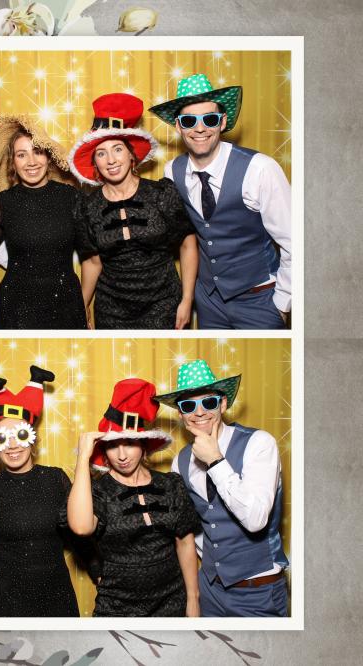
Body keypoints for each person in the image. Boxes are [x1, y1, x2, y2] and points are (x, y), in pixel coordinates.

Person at [150, 74, 292, 329]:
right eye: (189, 120)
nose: (200, 128)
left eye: (210, 119)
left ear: (223, 122)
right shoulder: (172, 171)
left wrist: (282, 304)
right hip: (208, 302)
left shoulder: (260, 168)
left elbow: (294, 241)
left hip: (259, 299)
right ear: (178, 126)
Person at [155, 360, 290, 616]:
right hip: (210, 591)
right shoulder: (180, 462)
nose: (199, 412)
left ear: (223, 404)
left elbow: (256, 520)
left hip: (258, 594)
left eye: (208, 402)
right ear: (181, 414)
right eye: (188, 406)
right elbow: (191, 527)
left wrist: (215, 460)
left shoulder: (259, 444)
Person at [67, 378, 201, 617]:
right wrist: (83, 458)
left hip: (172, 604)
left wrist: (193, 599)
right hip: (117, 608)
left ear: (144, 444)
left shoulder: (170, 484)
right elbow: (81, 527)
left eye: (129, 443)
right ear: (103, 450)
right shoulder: (98, 490)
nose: (121, 455)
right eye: (112, 445)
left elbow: (185, 542)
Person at [69, 93, 198, 330]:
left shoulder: (161, 193)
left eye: (117, 149)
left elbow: (188, 245)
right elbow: (93, 263)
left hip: (164, 305)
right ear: (95, 163)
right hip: (111, 311)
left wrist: (187, 299)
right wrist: (82, 306)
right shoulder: (87, 207)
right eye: (101, 153)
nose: (111, 160)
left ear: (131, 155)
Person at [0, 366, 85, 617]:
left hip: (55, 593)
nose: (12, 445)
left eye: (20, 435)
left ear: (32, 439)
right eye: (3, 438)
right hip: (5, 597)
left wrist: (100, 570)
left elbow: (79, 533)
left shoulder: (56, 479)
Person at [0, 114, 88, 329]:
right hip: (16, 306)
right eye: (21, 155)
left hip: (66, 303)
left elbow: (92, 256)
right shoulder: (4, 202)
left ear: (48, 157)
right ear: (13, 162)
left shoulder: (71, 197)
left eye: (37, 152)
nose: (31, 162)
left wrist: (84, 304)